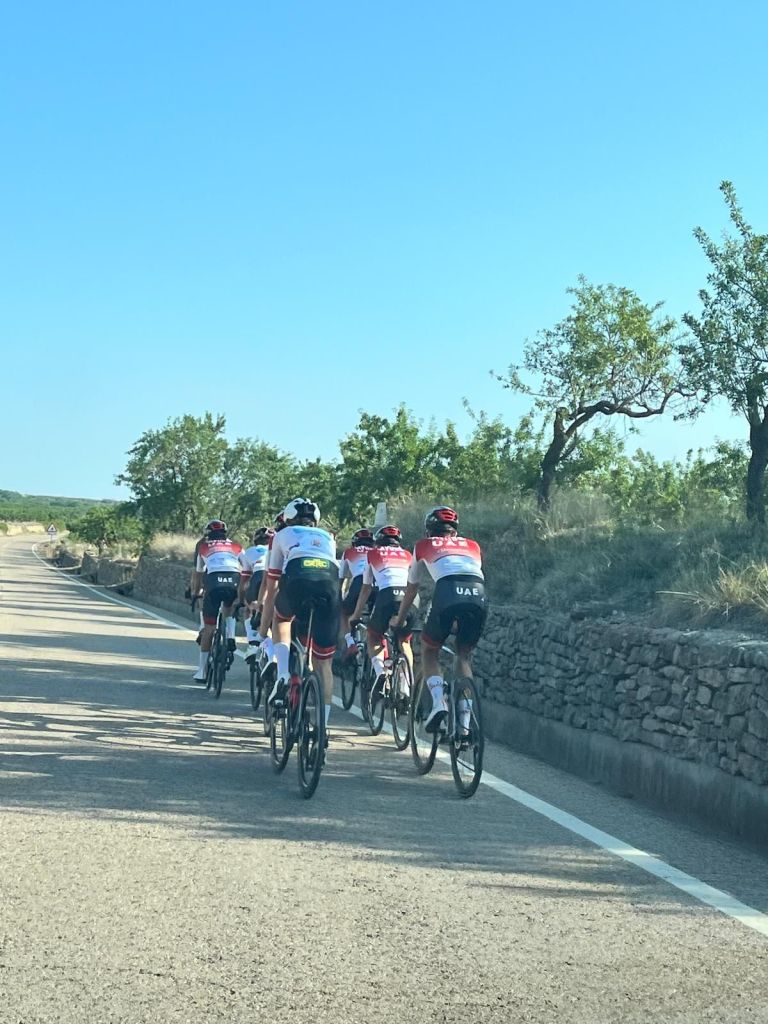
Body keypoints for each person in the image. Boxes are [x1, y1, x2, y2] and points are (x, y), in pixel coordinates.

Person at [392, 506, 486, 732]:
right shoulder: (473, 545)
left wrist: (400, 620)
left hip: (447, 591)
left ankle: (438, 703)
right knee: (463, 656)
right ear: (455, 531)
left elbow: (411, 590)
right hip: (478, 594)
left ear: (428, 531)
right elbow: (468, 576)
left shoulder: (423, 545)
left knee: (429, 650)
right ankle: (464, 724)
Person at [259, 498, 339, 733]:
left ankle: (283, 673)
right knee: (324, 662)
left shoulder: (281, 535)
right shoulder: (329, 537)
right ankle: (323, 726)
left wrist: (262, 632)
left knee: (282, 619)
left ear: (287, 518)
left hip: (297, 579)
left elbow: (272, 587)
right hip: (329, 586)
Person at [349, 525, 416, 687]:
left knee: (374, 635)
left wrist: (356, 615)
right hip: (411, 597)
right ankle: (406, 684)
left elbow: (366, 588)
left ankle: (381, 672)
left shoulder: (373, 554)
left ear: (377, 542)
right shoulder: (407, 554)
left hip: (388, 594)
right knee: (404, 641)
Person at [189, 519, 243, 682]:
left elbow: (198, 574)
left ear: (208, 534)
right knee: (229, 607)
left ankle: (202, 671)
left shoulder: (203, 547)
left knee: (209, 628)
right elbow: (247, 567)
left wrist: (195, 593)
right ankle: (231, 636)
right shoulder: (236, 546)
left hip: (213, 582)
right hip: (234, 579)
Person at [238, 526, 274, 662]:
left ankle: (253, 643)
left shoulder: (250, 551)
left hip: (258, 576)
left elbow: (244, 580)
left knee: (250, 609)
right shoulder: (275, 549)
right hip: (274, 578)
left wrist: (241, 600)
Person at [338, 528, 375, 656]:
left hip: (360, 581)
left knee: (344, 612)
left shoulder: (349, 552)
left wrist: (338, 599)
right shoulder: (377, 552)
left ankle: (350, 643)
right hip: (379, 582)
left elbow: (340, 579)